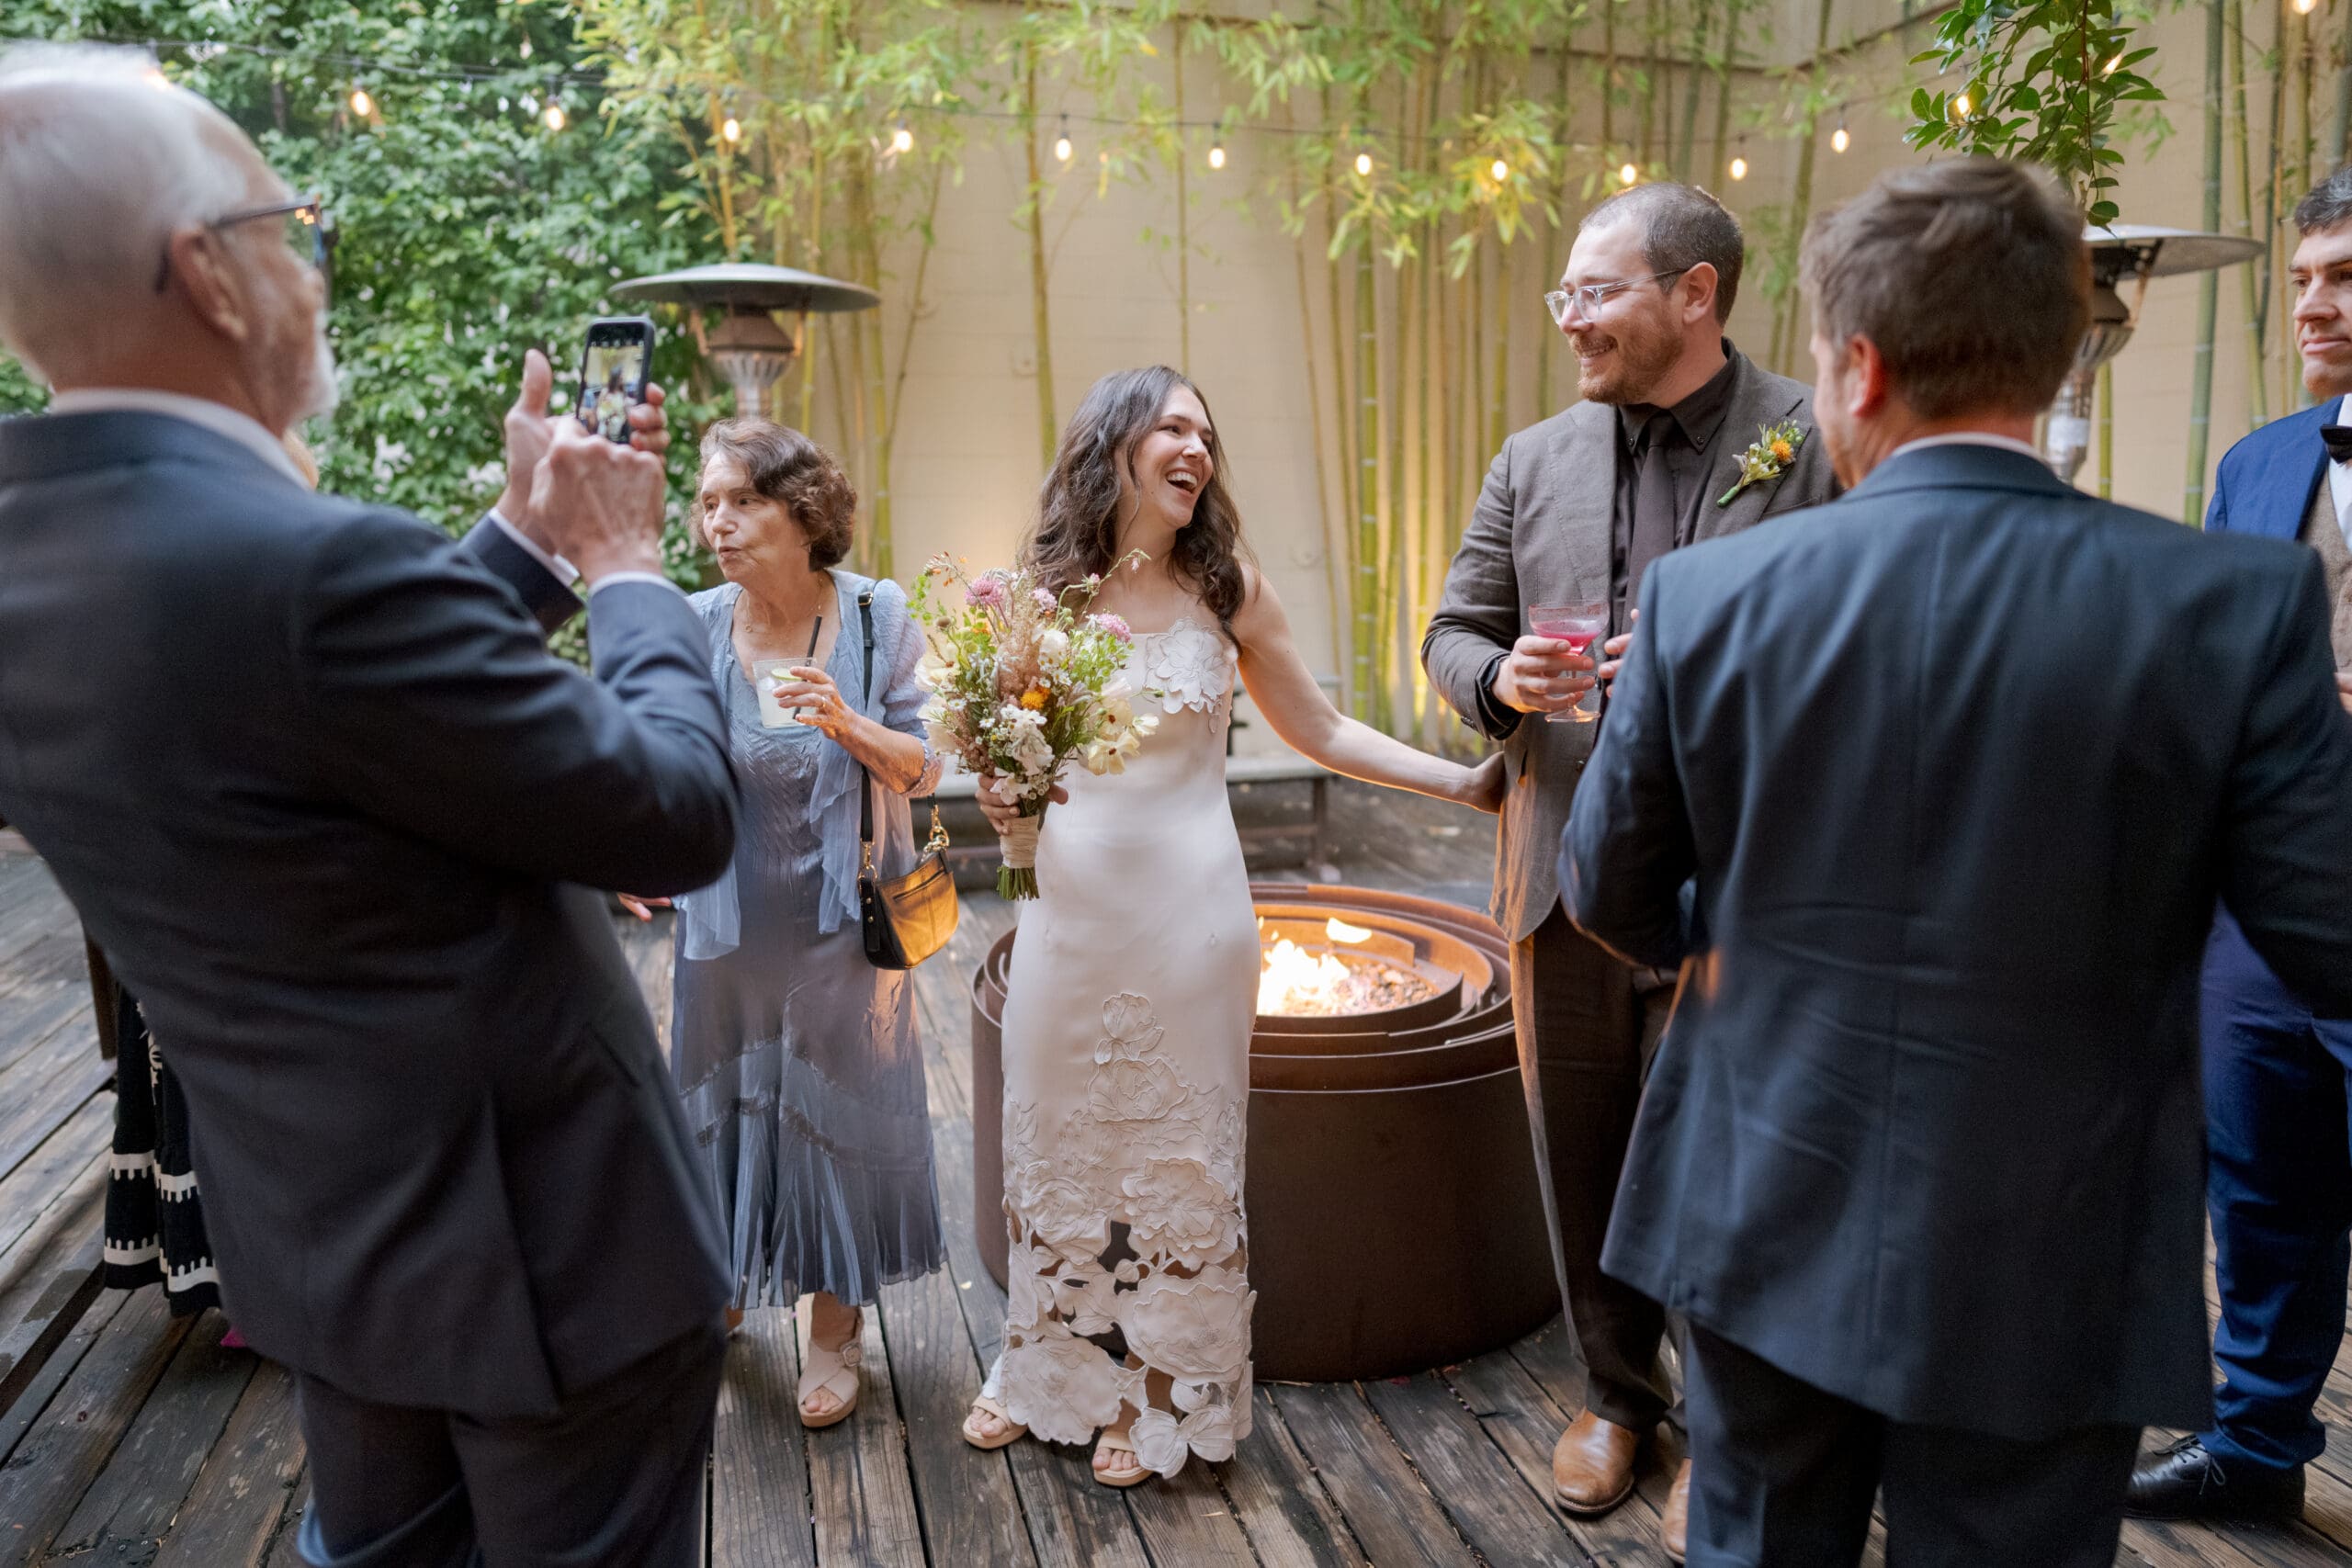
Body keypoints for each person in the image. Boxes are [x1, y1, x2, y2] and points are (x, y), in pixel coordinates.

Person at [0, 44, 739, 1568]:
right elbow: (673, 814)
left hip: (331, 1251)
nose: (309, 277)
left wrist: (521, 546)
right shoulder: (319, 565)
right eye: (295, 233)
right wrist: (624, 565)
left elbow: (278, 727)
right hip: (552, 1252)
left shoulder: (37, 559)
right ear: (209, 275)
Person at [1560, 156, 2352, 1568]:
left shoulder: (1710, 598)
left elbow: (1607, 885)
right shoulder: (2232, 604)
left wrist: (1749, 928)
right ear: (2058, 356)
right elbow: (2330, 935)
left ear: (1856, 370)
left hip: (1759, 1192)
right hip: (2058, 1237)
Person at [962, 365, 1504, 1486]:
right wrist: (1001, 791)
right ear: (1110, 443)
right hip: (1066, 917)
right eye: (1169, 425)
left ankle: (1160, 1391)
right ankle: (1048, 1365)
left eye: (1204, 432)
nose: (1194, 447)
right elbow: (1009, 761)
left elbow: (1324, 729)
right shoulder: (1039, 599)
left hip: (1192, 919)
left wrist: (1462, 785)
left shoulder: (1228, 589)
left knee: (1178, 1160)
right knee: (1052, 1140)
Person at [1420, 179, 1836, 1550]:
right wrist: (1502, 678)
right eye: (1566, 296)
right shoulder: (1530, 457)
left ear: (1695, 294)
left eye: (1595, 292)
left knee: (1734, 1167)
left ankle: (1727, 1428)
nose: (1572, 321)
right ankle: (1614, 1389)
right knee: (1581, 1148)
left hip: (1745, 882)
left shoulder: (1813, 438)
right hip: (1560, 865)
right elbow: (1450, 635)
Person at [629, 418, 948, 1429]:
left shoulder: (873, 618)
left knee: (835, 1121)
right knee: (719, 1108)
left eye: (739, 501)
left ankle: (832, 1330)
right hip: (722, 935)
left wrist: (847, 722)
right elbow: (656, 763)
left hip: (839, 932)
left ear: (801, 510)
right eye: (707, 503)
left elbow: (928, 766)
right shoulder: (690, 621)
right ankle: (720, 1286)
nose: (715, 523)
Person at [2128, 164, 2352, 1524]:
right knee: (2261, 1183)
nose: (2315, 307)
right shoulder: (2260, 461)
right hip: (2266, 908)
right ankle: (2258, 1447)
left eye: (2346, 280)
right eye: (2305, 281)